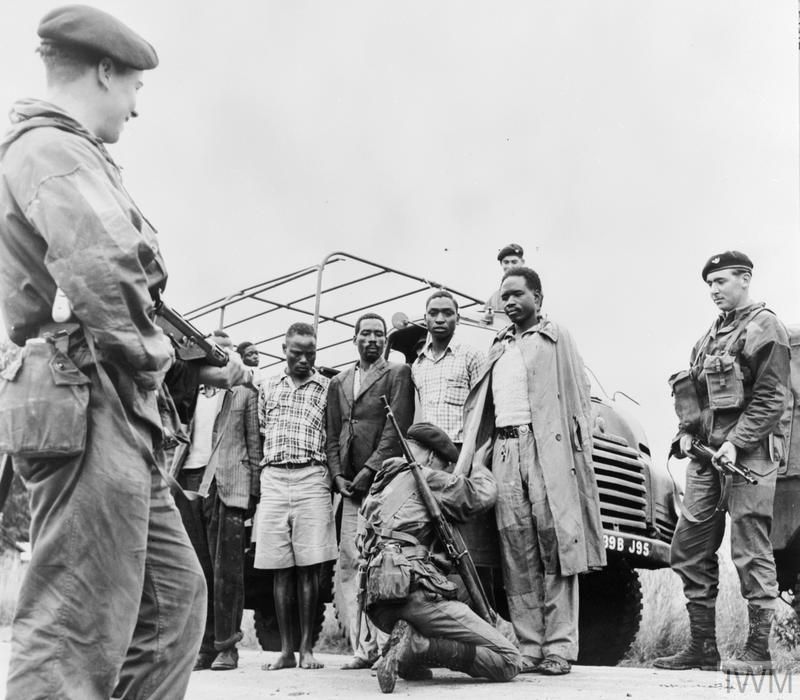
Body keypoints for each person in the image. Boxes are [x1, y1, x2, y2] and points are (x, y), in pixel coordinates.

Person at [0, 6, 206, 699]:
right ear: (105, 71)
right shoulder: (51, 150)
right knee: (73, 627)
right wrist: (159, 358)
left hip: (106, 395)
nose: (136, 107)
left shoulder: (68, 152)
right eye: (134, 88)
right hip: (87, 394)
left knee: (171, 605)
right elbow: (105, 267)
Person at [457, 266, 606, 676]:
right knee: (515, 548)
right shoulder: (498, 345)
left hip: (546, 451)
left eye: (517, 294)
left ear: (537, 298)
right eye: (503, 295)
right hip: (505, 451)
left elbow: (578, 396)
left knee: (554, 543)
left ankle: (559, 647)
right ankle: (529, 645)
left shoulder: (556, 338)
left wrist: (578, 454)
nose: (508, 302)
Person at [653, 251, 791, 675]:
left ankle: (758, 653)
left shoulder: (765, 327)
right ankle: (702, 648)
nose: (713, 290)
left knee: (750, 548)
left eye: (721, 281)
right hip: (706, 457)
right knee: (689, 547)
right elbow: (694, 395)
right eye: (709, 284)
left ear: (745, 279)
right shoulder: (709, 337)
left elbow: (772, 398)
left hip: (749, 454)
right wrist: (685, 432)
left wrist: (736, 442)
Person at [360, 422, 522, 693]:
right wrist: (479, 467)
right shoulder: (426, 476)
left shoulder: (381, 483)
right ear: (433, 457)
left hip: (378, 605)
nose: (446, 471)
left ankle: (409, 653)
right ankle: (418, 646)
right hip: (413, 596)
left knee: (458, 593)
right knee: (509, 660)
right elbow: (480, 495)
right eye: (446, 465)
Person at [326, 312, 414, 669]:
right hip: (350, 490)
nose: (372, 340)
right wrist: (337, 475)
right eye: (365, 333)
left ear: (385, 340)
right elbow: (332, 434)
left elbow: (397, 429)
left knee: (382, 563)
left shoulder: (397, 373)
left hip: (383, 485)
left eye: (379, 334)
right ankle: (362, 649)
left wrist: (369, 470)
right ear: (355, 338)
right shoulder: (339, 381)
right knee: (350, 563)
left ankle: (384, 645)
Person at [176, 332, 263, 672]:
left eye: (224, 350)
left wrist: (253, 494)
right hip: (188, 478)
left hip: (228, 483)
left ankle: (227, 645)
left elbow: (254, 444)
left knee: (227, 570)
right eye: (212, 349)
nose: (218, 355)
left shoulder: (244, 391)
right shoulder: (192, 386)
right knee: (196, 569)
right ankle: (204, 644)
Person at [255, 322, 337, 670]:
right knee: (280, 569)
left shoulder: (327, 388)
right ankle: (286, 651)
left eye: (310, 354)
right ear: (284, 350)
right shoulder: (267, 386)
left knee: (309, 567)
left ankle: (307, 650)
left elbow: (332, 435)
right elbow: (261, 431)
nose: (304, 360)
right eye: (296, 353)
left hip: (311, 476)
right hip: (274, 477)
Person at [484, 243, 525, 320]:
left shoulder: (530, 289)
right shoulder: (495, 297)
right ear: (501, 264)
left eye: (514, 262)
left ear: (522, 262)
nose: (510, 266)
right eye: (506, 262)